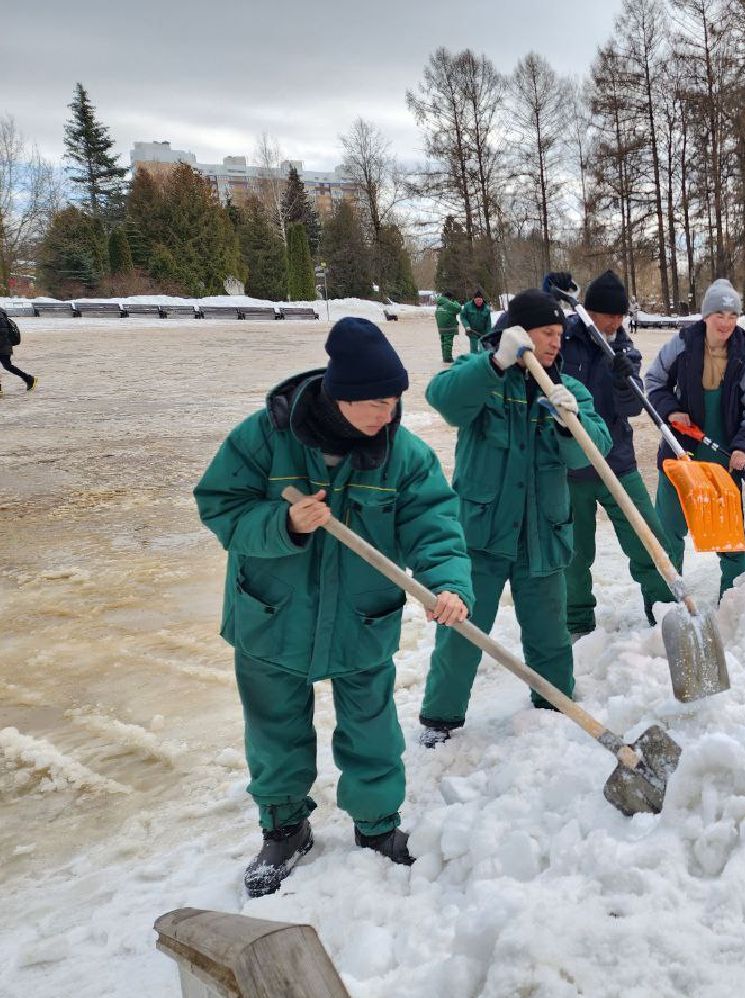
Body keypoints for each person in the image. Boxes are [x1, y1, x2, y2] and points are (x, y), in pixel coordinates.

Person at [194, 317, 473, 897]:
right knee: (275, 731)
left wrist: (449, 584)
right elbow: (219, 507)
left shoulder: (405, 455)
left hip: (359, 617)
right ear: (338, 395)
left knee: (371, 729)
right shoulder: (262, 438)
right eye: (375, 402)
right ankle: (284, 830)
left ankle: (377, 828)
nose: (388, 413)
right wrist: (283, 523)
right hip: (270, 616)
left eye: (394, 400)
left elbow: (435, 524)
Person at [418, 289, 613, 747]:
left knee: (549, 629)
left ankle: (555, 703)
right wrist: (494, 365)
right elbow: (442, 399)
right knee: (463, 630)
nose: (556, 343)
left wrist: (571, 424)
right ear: (520, 333)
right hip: (482, 531)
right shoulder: (483, 375)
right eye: (547, 333)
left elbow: (596, 448)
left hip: (542, 530)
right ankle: (440, 719)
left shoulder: (569, 388)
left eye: (560, 334)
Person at [645, 278, 745, 598]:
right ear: (705, 316)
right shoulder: (681, 346)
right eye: (719, 314)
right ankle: (663, 601)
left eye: (733, 316)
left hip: (724, 459)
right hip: (681, 454)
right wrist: (671, 410)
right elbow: (654, 382)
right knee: (666, 531)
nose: (726, 323)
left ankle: (735, 601)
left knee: (729, 536)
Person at [560, 271, 669, 637]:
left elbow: (633, 408)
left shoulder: (626, 349)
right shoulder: (563, 339)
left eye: (622, 316)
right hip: (571, 466)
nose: (618, 322)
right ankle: (577, 622)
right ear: (590, 311)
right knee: (574, 553)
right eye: (611, 315)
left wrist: (625, 381)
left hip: (617, 461)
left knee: (649, 538)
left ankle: (664, 609)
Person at [0, 307, 35, 396]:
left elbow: (3, 332)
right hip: (4, 345)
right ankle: (28, 378)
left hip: (3, 345)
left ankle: (29, 378)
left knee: (7, 366)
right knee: (8, 366)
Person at [460, 287, 492, 354]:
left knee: (483, 349)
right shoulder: (467, 306)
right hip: (472, 331)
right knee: (474, 349)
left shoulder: (486, 308)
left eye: (480, 300)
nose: (479, 302)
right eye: (477, 300)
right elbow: (463, 317)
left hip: (483, 332)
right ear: (474, 299)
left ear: (482, 299)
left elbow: (488, 322)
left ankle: (481, 362)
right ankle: (474, 360)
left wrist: (489, 333)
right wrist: (466, 325)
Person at [434, 291, 462, 364]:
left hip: (441, 326)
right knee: (448, 343)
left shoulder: (439, 303)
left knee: (443, 342)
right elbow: (458, 308)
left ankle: (444, 357)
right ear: (450, 298)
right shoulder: (449, 303)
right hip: (449, 326)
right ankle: (448, 359)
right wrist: (456, 302)